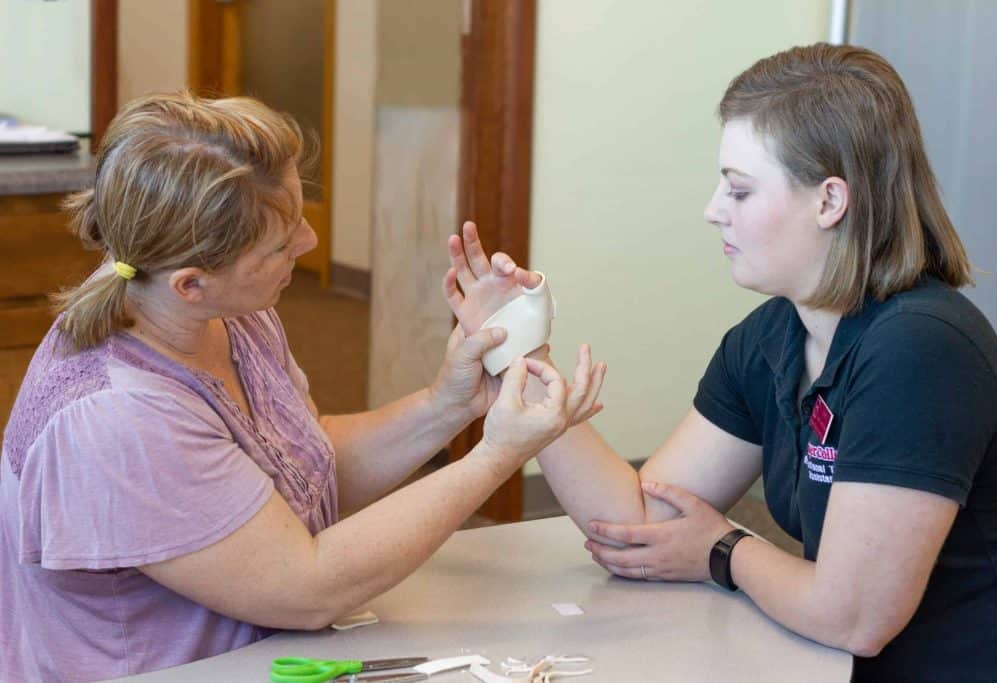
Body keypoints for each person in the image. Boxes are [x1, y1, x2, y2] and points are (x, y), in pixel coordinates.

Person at [446, 43, 997, 679]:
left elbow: (857, 618)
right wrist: (518, 347)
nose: (712, 209)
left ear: (831, 201)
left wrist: (724, 549)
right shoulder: (772, 335)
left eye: (739, 190)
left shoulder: (920, 349)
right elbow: (636, 529)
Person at [0, 92, 604, 682]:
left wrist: (448, 404)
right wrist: (497, 455)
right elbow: (304, 586)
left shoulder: (222, 310)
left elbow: (302, 466)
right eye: (282, 242)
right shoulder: (117, 418)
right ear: (191, 283)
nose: (310, 243)